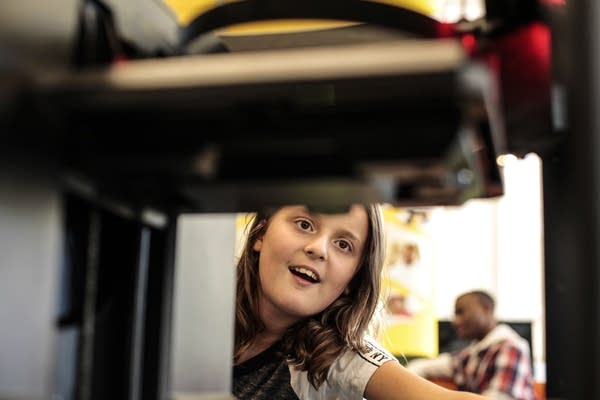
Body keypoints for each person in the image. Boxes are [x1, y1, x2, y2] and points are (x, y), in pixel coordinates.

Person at [232, 203, 486, 400]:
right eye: (304, 224)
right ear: (261, 234)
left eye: (343, 244)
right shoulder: (198, 308)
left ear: (352, 279)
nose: (318, 248)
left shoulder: (337, 356)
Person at [407, 290, 537, 400]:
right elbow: (423, 367)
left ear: (487, 309)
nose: (455, 321)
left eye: (461, 312)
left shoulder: (510, 348)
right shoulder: (472, 354)